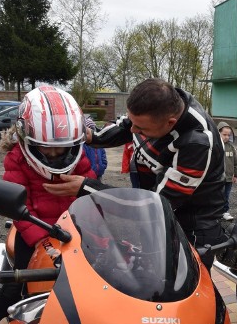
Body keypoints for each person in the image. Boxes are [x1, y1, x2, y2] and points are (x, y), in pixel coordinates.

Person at [44, 78, 226, 271]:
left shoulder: (196, 143)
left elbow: (158, 204)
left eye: (141, 129)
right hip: (156, 214)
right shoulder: (158, 105)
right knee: (152, 272)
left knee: (187, 284)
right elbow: (125, 127)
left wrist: (87, 188)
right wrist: (94, 136)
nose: (133, 131)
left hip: (192, 225)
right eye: (133, 122)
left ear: (170, 123)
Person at [0, 86, 96, 324]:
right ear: (25, 136)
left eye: (63, 146)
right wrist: (40, 240)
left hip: (74, 230)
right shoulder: (17, 159)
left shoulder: (77, 156)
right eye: (48, 146)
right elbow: (18, 208)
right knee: (17, 283)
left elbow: (89, 188)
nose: (56, 153)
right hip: (34, 230)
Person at [218, 122, 237, 221]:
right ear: (218, 133)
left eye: (229, 135)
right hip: (217, 178)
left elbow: (236, 162)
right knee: (216, 195)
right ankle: (215, 212)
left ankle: (225, 211)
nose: (227, 137)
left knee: (226, 196)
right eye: (224, 134)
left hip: (228, 178)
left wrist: (236, 174)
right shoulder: (215, 146)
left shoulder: (231, 148)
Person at [83, 116, 108, 180]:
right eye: (89, 129)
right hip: (88, 174)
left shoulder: (98, 142)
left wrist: (103, 166)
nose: (92, 131)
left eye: (93, 129)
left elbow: (103, 154)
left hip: (99, 173)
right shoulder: (83, 145)